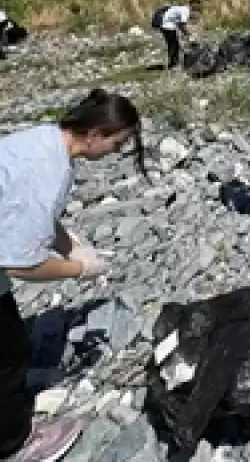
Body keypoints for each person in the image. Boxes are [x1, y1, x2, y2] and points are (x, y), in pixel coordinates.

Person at [0, 89, 144, 462]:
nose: (116, 152)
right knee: (9, 352)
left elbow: (30, 216)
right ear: (95, 134)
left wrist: (69, 246)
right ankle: (15, 444)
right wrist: (80, 268)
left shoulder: (43, 139)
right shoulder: (48, 171)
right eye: (117, 143)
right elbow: (21, 264)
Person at [153, 0, 201, 70]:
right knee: (173, 44)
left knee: (173, 44)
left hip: (165, 22)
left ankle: (174, 63)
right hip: (166, 23)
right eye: (197, 4)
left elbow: (179, 24)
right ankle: (173, 64)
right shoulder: (186, 11)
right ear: (192, 4)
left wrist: (188, 35)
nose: (198, 7)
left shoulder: (183, 9)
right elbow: (182, 25)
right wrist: (191, 36)